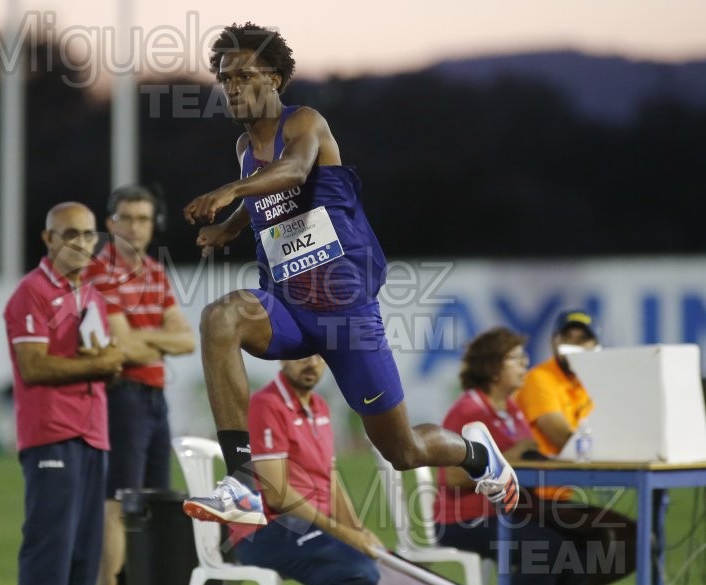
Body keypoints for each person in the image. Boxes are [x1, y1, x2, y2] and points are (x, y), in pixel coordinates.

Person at [180, 22, 519, 551]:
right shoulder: (245, 146)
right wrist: (231, 224)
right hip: (288, 306)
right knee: (220, 317)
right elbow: (264, 200)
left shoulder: (307, 123)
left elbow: (292, 173)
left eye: (244, 75)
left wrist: (230, 191)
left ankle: (477, 454)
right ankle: (243, 484)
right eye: (225, 79)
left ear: (273, 77)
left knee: (402, 451)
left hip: (344, 311)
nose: (233, 88)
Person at [437, 327, 635, 585]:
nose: (525, 363)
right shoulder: (469, 410)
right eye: (516, 358)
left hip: (516, 509)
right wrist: (510, 456)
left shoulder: (511, 408)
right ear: (493, 367)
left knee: (606, 539)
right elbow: (452, 476)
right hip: (467, 518)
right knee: (548, 548)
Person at [3, 202, 125, 585]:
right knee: (50, 550)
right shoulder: (32, 292)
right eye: (70, 234)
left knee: (85, 555)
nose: (82, 243)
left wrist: (111, 364)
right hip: (53, 434)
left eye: (88, 234)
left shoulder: (90, 295)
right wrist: (100, 364)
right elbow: (33, 366)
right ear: (48, 238)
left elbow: (103, 363)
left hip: (94, 434)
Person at [82, 185, 195, 585]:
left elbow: (187, 340)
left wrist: (142, 340)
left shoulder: (155, 272)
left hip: (153, 396)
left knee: (153, 501)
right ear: (110, 224)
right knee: (119, 501)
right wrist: (153, 339)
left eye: (143, 219)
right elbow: (124, 347)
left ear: (155, 224)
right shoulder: (99, 272)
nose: (135, 227)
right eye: (126, 218)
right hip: (121, 395)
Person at [232, 355, 381, 585]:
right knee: (359, 571)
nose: (312, 363)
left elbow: (330, 480)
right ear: (281, 359)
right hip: (269, 529)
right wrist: (343, 533)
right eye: (302, 355)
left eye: (319, 356)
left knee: (378, 569)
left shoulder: (320, 406)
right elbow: (277, 495)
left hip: (312, 527)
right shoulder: (267, 404)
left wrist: (358, 530)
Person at [513, 309, 599, 458]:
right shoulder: (539, 378)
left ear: (595, 345)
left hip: (579, 475)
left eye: (582, 339)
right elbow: (561, 437)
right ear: (553, 342)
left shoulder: (592, 381)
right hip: (546, 477)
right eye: (567, 338)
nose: (574, 346)